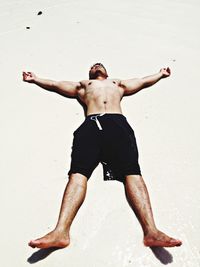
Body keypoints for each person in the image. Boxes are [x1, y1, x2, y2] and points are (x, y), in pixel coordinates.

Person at [23, 63, 182, 249]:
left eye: (100, 65)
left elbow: (142, 81)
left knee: (133, 173)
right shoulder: (83, 85)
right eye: (93, 66)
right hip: (91, 124)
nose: (96, 65)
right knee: (77, 174)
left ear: (107, 72)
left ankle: (152, 231)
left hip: (118, 124)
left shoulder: (117, 83)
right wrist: (35, 79)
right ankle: (60, 232)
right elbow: (55, 84)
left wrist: (160, 74)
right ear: (89, 73)